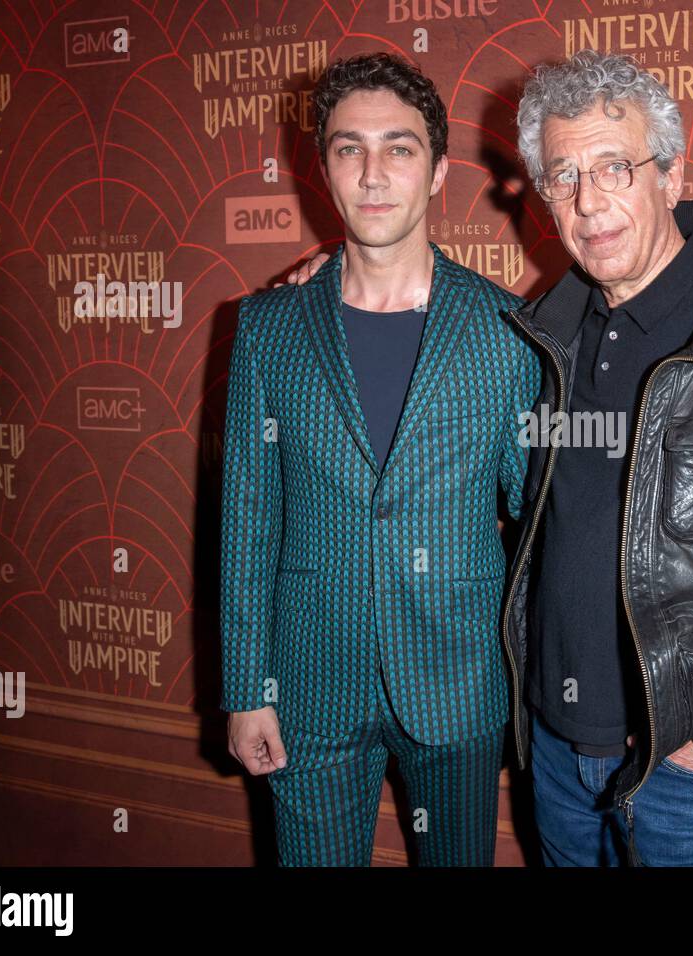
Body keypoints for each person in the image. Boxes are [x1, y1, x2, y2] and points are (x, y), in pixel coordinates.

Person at [287, 49, 693, 867]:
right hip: (552, 752)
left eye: (615, 167)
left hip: (684, 768)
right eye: (563, 176)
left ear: (671, 176)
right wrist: (329, 287)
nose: (589, 201)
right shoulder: (546, 335)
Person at [220, 52, 539, 866]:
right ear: (323, 170)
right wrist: (246, 687)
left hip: (459, 683)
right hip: (308, 685)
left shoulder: (508, 331)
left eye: (399, 148)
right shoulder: (267, 329)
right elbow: (248, 520)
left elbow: (540, 523)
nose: (372, 173)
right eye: (348, 149)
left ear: (437, 173)